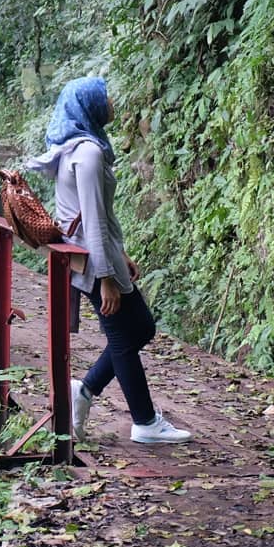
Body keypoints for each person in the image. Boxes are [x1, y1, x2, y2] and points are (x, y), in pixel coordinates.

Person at [28, 76, 192, 444]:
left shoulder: (74, 147)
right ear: (90, 106)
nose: (112, 103)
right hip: (93, 261)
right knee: (123, 335)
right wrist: (105, 277)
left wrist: (121, 255)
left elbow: (96, 215)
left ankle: (84, 391)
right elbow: (93, 220)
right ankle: (145, 422)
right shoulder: (88, 153)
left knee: (140, 328)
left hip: (94, 254)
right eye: (106, 98)